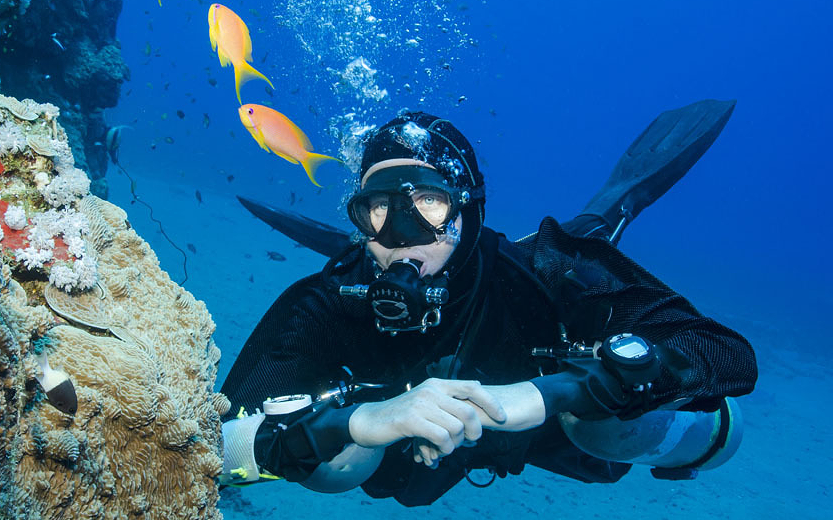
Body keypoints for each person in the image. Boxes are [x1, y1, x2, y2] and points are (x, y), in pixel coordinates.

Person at [219, 111, 757, 506]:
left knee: (649, 433)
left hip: (540, 422)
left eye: (428, 204)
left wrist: (555, 391)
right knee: (339, 464)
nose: (402, 235)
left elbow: (725, 353)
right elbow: (206, 446)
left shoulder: (541, 274)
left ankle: (604, 215)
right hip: (396, 457)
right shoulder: (329, 302)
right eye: (379, 208)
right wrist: (358, 422)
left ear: (468, 212)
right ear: (359, 219)